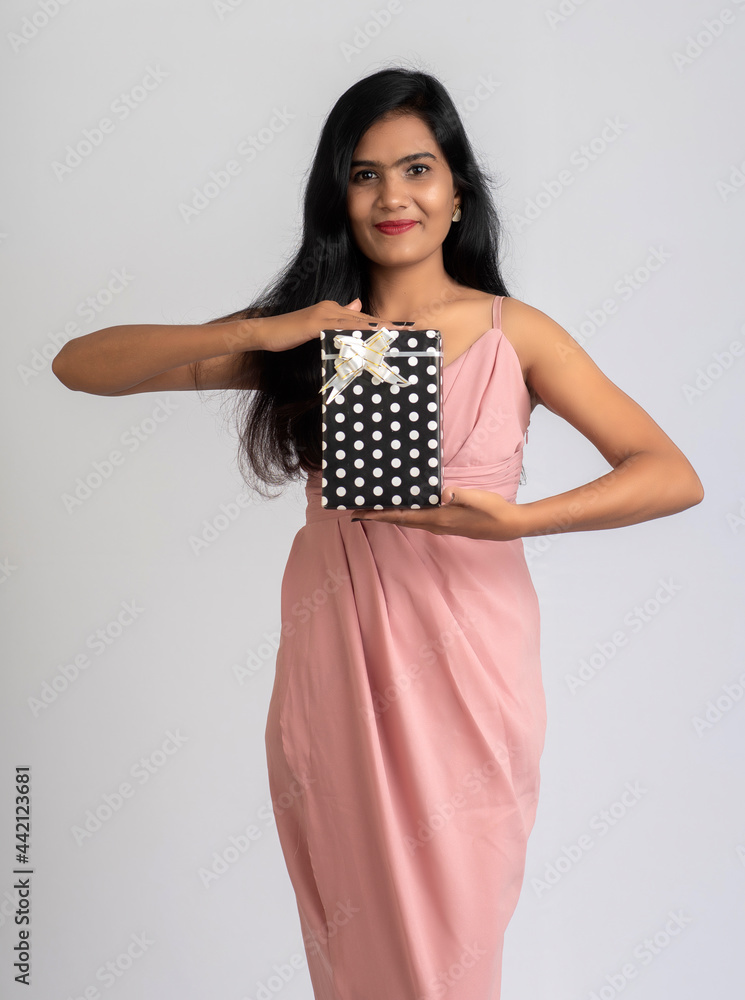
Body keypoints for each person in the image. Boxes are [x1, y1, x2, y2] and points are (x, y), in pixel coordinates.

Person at [52, 66, 703, 1000]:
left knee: (453, 952)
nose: (393, 196)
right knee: (353, 950)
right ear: (337, 195)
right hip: (334, 664)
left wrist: (517, 521)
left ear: (457, 191)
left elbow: (669, 472)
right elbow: (79, 366)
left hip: (468, 669)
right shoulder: (312, 335)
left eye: (416, 169)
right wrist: (265, 333)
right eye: (364, 175)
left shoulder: (514, 332)